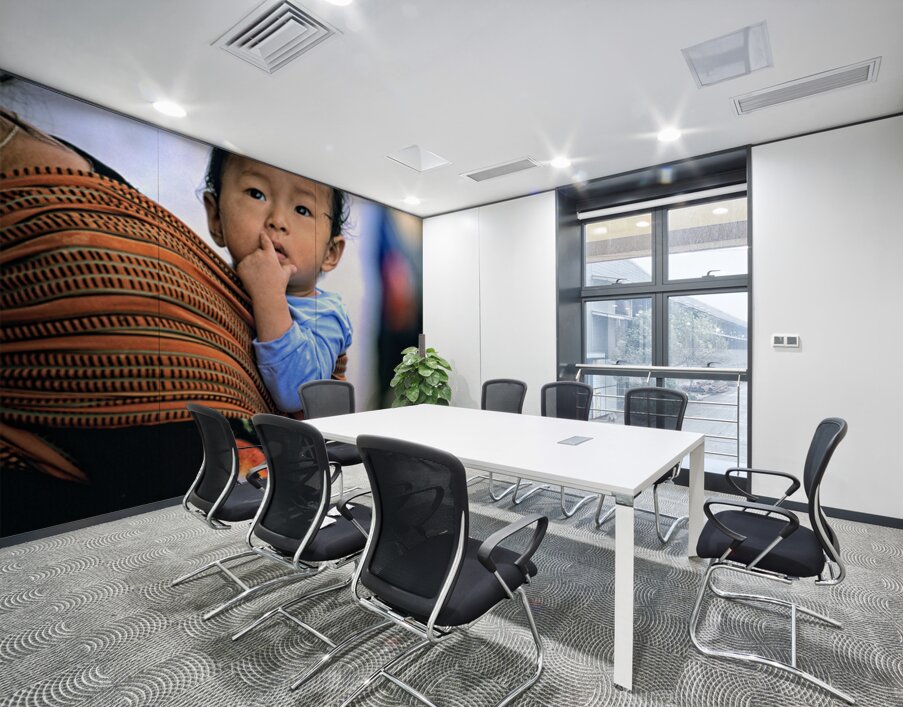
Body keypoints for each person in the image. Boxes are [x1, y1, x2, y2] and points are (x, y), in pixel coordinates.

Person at [202, 148, 352, 415]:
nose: (278, 221)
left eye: (302, 209)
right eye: (257, 194)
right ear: (216, 218)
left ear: (330, 253)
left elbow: (299, 392)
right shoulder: (209, 283)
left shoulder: (327, 314)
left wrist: (269, 295)